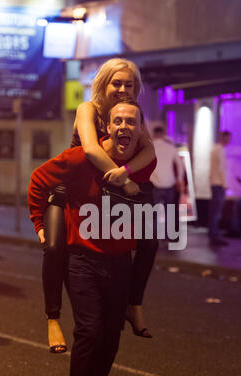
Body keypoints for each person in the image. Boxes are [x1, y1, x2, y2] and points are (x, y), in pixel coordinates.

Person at [28, 100, 156, 376]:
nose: (124, 127)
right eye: (118, 121)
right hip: (81, 258)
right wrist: (41, 227)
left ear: (140, 130)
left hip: (119, 261)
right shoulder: (81, 159)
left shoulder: (140, 165)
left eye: (132, 121)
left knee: (110, 340)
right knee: (90, 332)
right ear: (108, 127)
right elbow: (38, 182)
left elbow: (149, 186)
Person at [41, 58, 158, 352]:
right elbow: (92, 149)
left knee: (150, 240)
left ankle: (134, 305)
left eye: (128, 85)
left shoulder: (132, 114)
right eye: (116, 83)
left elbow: (149, 150)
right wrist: (123, 179)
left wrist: (126, 173)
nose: (122, 89)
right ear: (103, 85)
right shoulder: (88, 110)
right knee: (55, 246)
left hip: (107, 188)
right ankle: (52, 318)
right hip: (68, 188)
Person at [150, 126, 184, 240]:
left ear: (154, 134)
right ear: (163, 134)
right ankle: (171, 235)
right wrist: (179, 179)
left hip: (154, 183)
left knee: (153, 212)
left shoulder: (150, 147)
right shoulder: (171, 147)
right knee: (170, 211)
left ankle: (153, 236)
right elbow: (180, 165)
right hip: (169, 183)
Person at [208, 130, 231, 246]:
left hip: (214, 183)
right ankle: (214, 235)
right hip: (219, 184)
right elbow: (221, 169)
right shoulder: (220, 150)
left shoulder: (214, 149)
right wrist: (225, 184)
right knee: (217, 211)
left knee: (214, 210)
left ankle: (213, 233)